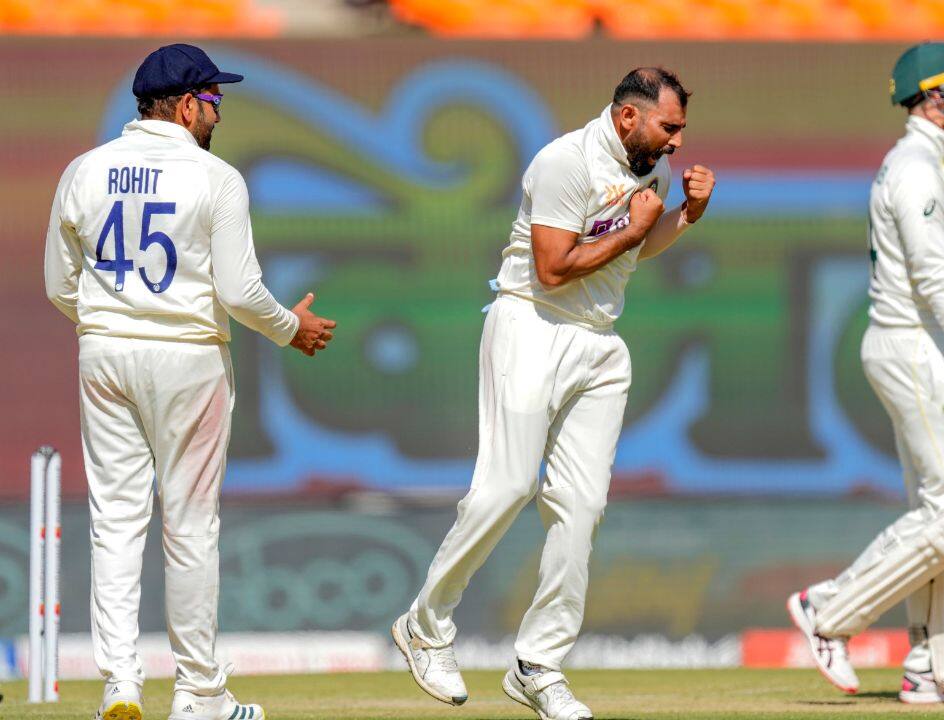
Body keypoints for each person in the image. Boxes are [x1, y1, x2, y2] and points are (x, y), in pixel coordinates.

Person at [391, 67, 715, 720]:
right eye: (669, 126)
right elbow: (553, 267)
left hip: (600, 343)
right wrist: (633, 229)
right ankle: (424, 626)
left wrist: (685, 216)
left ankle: (537, 664)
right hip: (532, 325)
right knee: (508, 486)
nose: (678, 142)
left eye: (681, 129)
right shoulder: (564, 162)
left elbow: (632, 251)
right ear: (628, 116)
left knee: (581, 507)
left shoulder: (647, 166)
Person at [43, 43, 336, 720]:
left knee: (116, 521)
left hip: (106, 354)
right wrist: (290, 329)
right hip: (188, 357)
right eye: (212, 100)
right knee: (191, 525)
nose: (218, 113)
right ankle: (199, 693)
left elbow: (61, 285)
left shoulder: (83, 170)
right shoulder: (216, 178)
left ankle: (120, 685)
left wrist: (115, 322)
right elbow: (239, 291)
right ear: (182, 106)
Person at [786, 42, 944, 704]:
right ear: (930, 96)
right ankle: (829, 608)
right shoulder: (916, 169)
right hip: (910, 346)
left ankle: (934, 668)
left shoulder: (926, 164)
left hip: (916, 347)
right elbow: (935, 282)